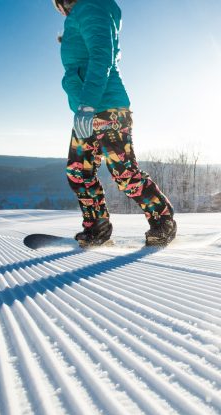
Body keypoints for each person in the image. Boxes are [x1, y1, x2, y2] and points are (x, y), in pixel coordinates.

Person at [53, 0, 176, 246]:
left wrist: (88, 104)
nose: (60, 7)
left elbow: (101, 56)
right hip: (86, 112)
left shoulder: (91, 6)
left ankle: (163, 221)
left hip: (106, 108)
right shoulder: (81, 13)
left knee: (124, 172)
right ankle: (97, 227)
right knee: (79, 172)